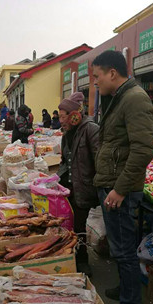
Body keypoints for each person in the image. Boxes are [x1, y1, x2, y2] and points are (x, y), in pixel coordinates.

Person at [92, 50, 153, 304]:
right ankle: (124, 290)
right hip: (112, 183)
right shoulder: (117, 98)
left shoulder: (134, 99)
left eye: (96, 76)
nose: (94, 82)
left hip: (121, 189)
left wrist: (118, 189)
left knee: (125, 250)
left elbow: (142, 151)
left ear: (112, 74)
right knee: (119, 246)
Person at [57, 92, 99, 277]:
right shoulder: (66, 135)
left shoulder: (91, 130)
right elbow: (64, 161)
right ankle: (67, 258)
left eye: (62, 116)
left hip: (83, 187)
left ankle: (82, 261)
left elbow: (99, 160)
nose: (60, 120)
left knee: (79, 226)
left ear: (74, 115)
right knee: (67, 225)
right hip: (67, 187)